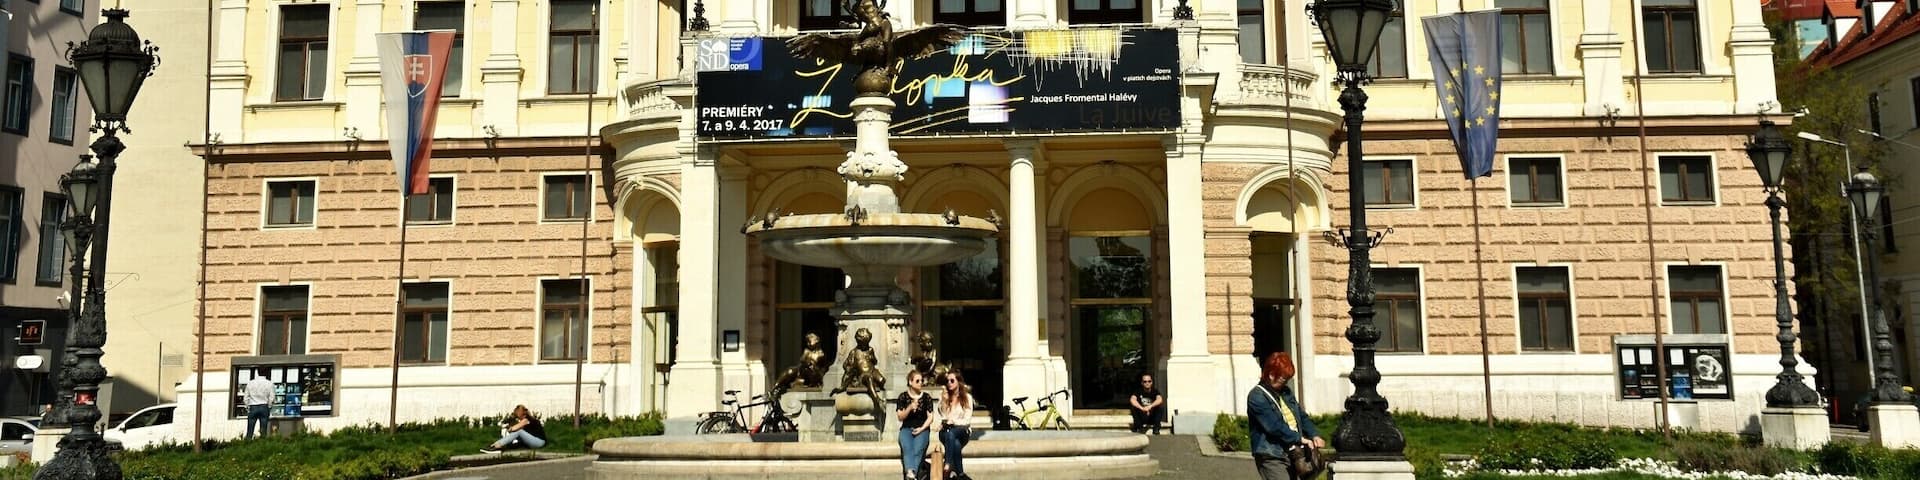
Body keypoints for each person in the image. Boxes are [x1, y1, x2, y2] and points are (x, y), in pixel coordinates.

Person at [1248, 352, 1322, 480]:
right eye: (1283, 379)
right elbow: (1274, 427)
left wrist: (1313, 434)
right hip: (1271, 455)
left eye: (1288, 379)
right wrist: (1299, 438)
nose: (1286, 383)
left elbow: (1301, 416)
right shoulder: (1257, 396)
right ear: (1271, 375)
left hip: (1292, 453)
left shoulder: (1286, 392)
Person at [895, 370, 936, 480]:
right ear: (910, 382)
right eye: (917, 381)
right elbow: (900, 417)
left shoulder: (926, 397)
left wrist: (922, 429)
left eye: (922, 380)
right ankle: (912, 474)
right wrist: (909, 408)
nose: (920, 383)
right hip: (906, 429)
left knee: (918, 449)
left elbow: (931, 417)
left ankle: (910, 474)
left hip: (922, 429)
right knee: (907, 448)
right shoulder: (903, 397)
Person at [936, 370, 975, 480]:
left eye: (952, 380)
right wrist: (944, 401)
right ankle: (961, 474)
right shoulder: (944, 397)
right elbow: (943, 416)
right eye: (947, 381)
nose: (949, 383)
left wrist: (954, 422)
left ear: (958, 382)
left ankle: (948, 463)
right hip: (946, 430)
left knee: (951, 433)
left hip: (962, 430)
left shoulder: (967, 398)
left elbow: (967, 420)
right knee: (955, 443)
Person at [482, 405, 547, 453]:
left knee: (519, 432)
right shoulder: (527, 420)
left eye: (517, 416)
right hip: (535, 440)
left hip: (539, 442)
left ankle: (497, 446)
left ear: (521, 414)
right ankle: (494, 445)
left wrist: (507, 427)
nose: (517, 418)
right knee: (518, 434)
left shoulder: (526, 420)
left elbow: (514, 429)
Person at [243, 367, 274, 439]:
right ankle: (262, 445)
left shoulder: (250, 383)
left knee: (250, 430)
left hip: (253, 406)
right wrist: (269, 406)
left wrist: (248, 406)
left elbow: (246, 398)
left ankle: (248, 443)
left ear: (258, 372)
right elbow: (272, 398)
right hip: (264, 406)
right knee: (263, 430)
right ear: (266, 373)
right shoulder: (269, 383)